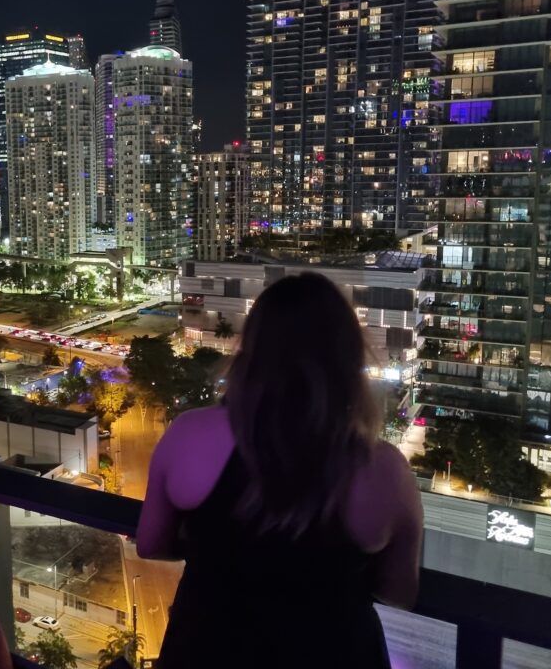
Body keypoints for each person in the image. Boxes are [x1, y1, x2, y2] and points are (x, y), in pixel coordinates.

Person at [137, 273, 423, 668]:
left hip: (207, 650)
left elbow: (151, 543)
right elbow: (400, 592)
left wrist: (222, 548)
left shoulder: (189, 435)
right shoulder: (384, 470)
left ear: (250, 349)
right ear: (347, 357)